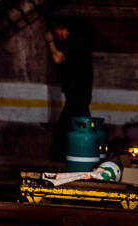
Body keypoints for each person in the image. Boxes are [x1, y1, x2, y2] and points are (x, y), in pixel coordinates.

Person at [45, 18, 94, 162]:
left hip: (78, 92)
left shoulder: (74, 42)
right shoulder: (76, 42)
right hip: (78, 92)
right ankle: (85, 152)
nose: (56, 35)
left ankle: (61, 155)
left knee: (67, 123)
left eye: (57, 32)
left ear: (64, 29)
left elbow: (58, 58)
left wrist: (50, 42)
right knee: (80, 121)